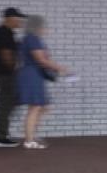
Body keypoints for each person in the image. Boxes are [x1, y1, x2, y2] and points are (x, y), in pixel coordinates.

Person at [17, 15, 72, 149]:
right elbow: (41, 60)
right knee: (35, 107)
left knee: (43, 107)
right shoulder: (32, 39)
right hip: (32, 76)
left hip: (34, 75)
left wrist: (56, 68)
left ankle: (30, 134)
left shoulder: (30, 39)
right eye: (44, 26)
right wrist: (60, 68)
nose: (46, 29)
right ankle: (29, 140)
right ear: (37, 27)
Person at [0, 7, 25, 148]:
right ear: (9, 18)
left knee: (6, 104)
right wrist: (13, 70)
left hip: (0, 74)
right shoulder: (6, 33)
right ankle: (0, 136)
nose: (20, 21)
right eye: (18, 18)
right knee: (6, 105)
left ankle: (1, 132)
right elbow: (6, 54)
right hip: (7, 75)